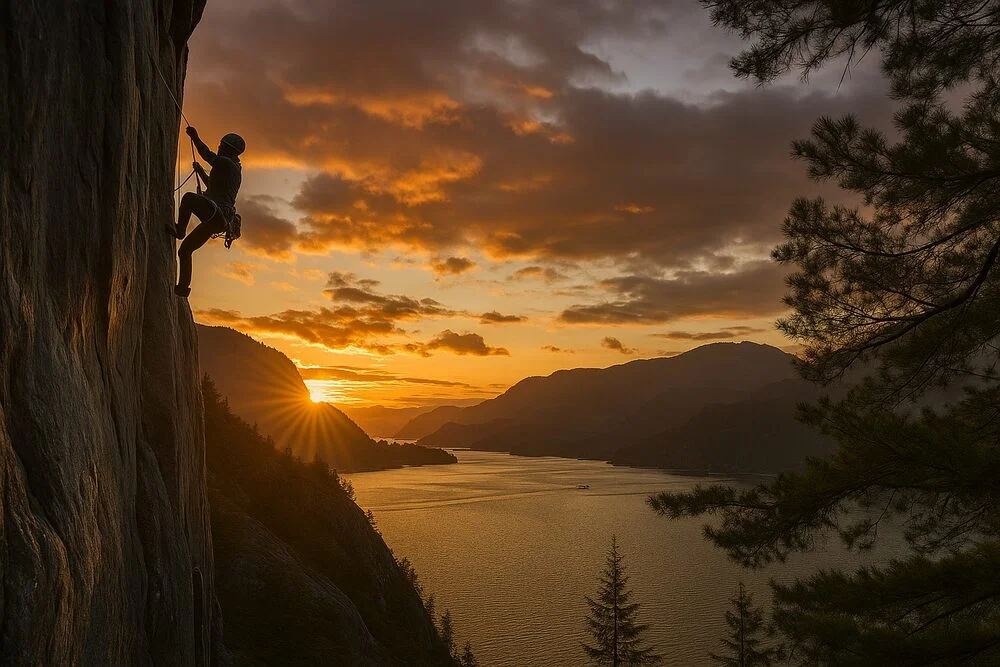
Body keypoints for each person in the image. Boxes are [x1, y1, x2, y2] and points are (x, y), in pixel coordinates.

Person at [166, 126, 245, 297]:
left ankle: (180, 230)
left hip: (217, 214)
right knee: (185, 251)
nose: (219, 148)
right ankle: (182, 290)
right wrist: (200, 171)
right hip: (216, 219)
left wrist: (195, 137)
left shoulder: (227, 163)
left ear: (229, 150)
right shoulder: (232, 168)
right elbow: (213, 186)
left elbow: (208, 156)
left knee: (188, 199)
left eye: (222, 146)